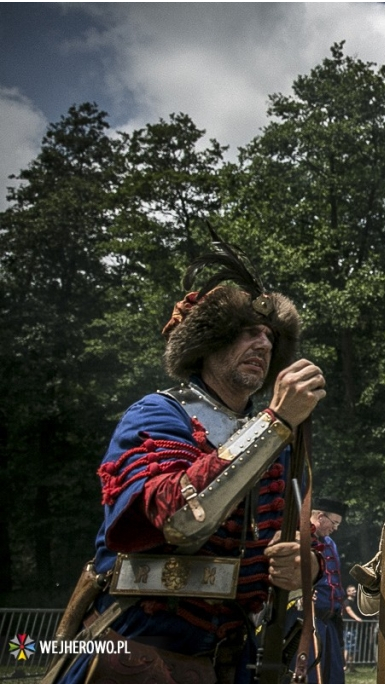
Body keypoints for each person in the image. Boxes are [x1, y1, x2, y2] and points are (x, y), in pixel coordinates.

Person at [54, 242, 327, 683]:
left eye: (270, 337)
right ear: (208, 343)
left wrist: (305, 566)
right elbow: (179, 516)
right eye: (248, 332)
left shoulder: (279, 437)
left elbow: (297, 533)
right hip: (138, 648)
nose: (262, 343)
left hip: (231, 660)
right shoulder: (158, 414)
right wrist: (275, 422)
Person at [292, 498, 348, 683]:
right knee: (308, 672)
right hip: (305, 619)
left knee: (332, 675)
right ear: (321, 517)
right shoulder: (299, 537)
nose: (335, 528)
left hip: (329, 621)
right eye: (334, 523)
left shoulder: (330, 543)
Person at [342, 584, 366, 668]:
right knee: (348, 647)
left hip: (353, 628)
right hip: (348, 628)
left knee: (353, 647)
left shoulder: (354, 602)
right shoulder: (346, 602)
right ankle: (344, 666)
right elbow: (348, 610)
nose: (355, 591)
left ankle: (351, 666)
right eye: (352, 590)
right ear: (348, 592)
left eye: (355, 590)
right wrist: (357, 618)